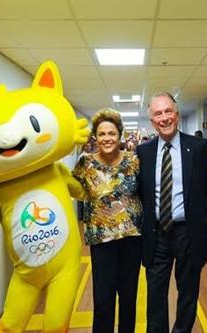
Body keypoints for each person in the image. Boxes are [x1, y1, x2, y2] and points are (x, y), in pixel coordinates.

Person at [136, 92, 207, 333]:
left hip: (189, 234)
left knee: (188, 295)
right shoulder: (144, 152)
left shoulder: (199, 147)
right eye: (158, 113)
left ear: (177, 114)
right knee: (156, 297)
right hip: (157, 234)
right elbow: (139, 193)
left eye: (168, 111)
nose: (164, 118)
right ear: (152, 120)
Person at [73, 108, 142, 333]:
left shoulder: (134, 161)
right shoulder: (86, 164)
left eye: (111, 133)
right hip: (101, 241)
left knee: (128, 296)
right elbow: (71, 188)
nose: (107, 139)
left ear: (119, 135)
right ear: (95, 137)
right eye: (102, 134)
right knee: (103, 299)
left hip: (131, 238)